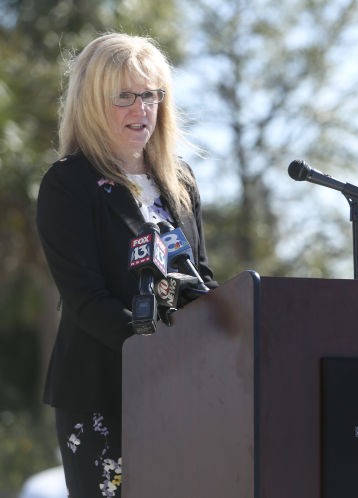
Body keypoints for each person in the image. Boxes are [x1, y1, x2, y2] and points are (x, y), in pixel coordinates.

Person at [36, 33, 218, 497]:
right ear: (93, 102)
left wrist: (229, 336)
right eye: (124, 97)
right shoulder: (68, 184)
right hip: (102, 393)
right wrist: (158, 352)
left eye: (151, 95)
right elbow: (86, 300)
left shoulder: (180, 180)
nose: (141, 109)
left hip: (182, 393)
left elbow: (201, 277)